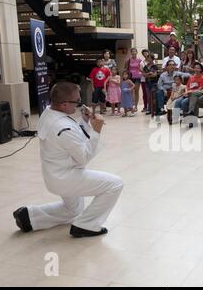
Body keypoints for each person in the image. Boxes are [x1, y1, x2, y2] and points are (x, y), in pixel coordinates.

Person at [12, 82, 123, 237]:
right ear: (64, 104)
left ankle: (30, 217)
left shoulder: (48, 112)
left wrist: (84, 121)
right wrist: (96, 130)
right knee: (115, 184)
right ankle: (86, 226)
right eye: (77, 101)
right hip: (66, 176)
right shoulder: (62, 126)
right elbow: (83, 156)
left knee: (74, 211)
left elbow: (71, 138)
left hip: (54, 173)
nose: (79, 105)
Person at [124, 48, 142, 112]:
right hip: (130, 78)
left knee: (136, 92)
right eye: (132, 51)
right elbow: (125, 69)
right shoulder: (128, 60)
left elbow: (141, 69)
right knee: (130, 92)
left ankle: (136, 106)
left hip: (137, 77)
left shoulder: (140, 60)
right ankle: (130, 106)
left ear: (137, 52)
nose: (134, 52)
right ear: (131, 53)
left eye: (135, 51)